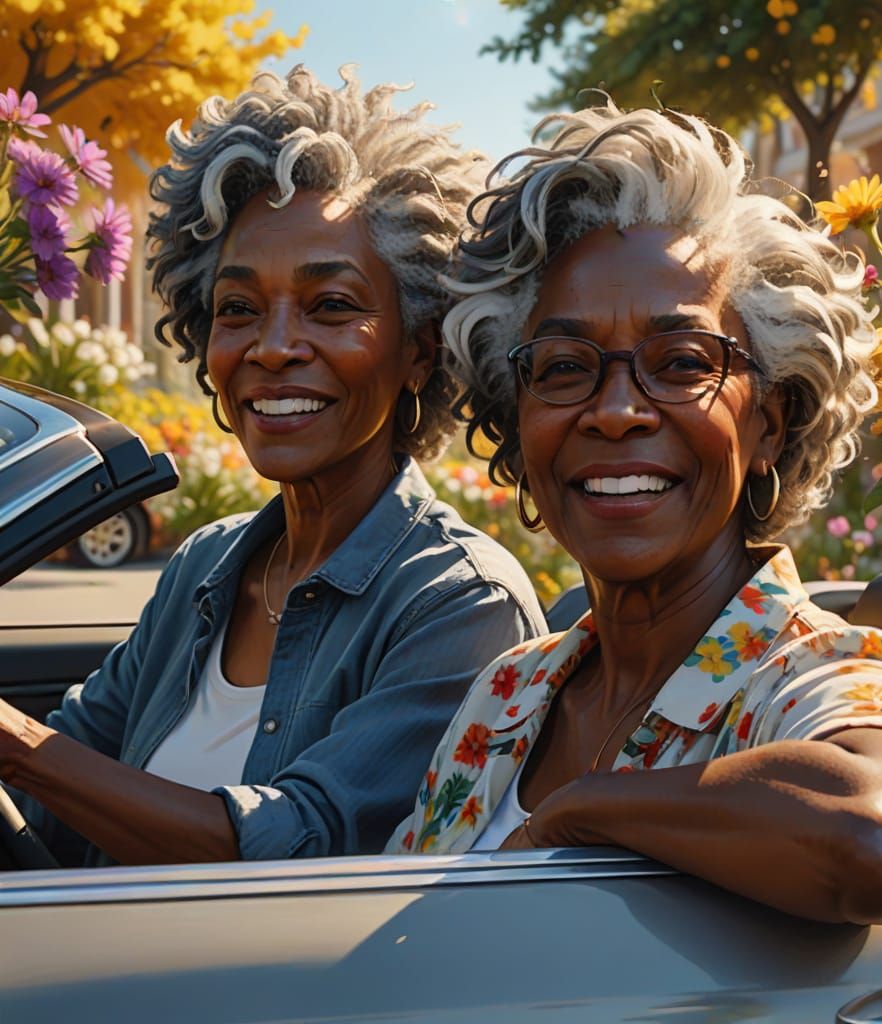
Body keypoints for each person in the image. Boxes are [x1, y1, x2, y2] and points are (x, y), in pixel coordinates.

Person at [386, 101, 882, 925]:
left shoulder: (820, 676)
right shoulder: (510, 691)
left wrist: (581, 811)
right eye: (564, 367)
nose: (616, 410)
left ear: (769, 423)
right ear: (518, 423)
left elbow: (876, 842)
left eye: (682, 362)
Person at [0, 66, 545, 868]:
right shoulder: (204, 567)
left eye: (331, 306)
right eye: (238, 309)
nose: (273, 346)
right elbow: (55, 793)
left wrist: (12, 743)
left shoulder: (462, 603)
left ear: (421, 351)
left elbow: (296, 847)